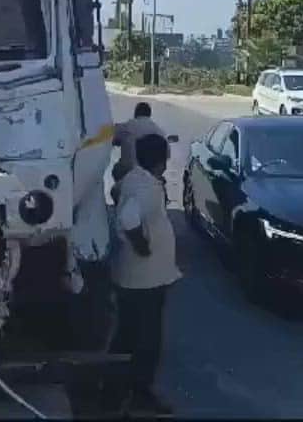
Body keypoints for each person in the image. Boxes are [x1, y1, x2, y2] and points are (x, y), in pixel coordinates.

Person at [108, 133, 177, 415]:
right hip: (145, 280)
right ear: (162, 160)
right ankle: (137, 395)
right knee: (147, 342)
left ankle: (112, 393)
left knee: (126, 335)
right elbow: (128, 218)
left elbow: (115, 194)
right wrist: (142, 246)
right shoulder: (145, 187)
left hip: (135, 278)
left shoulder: (136, 178)